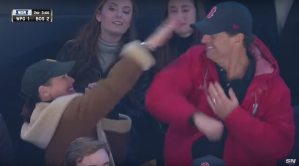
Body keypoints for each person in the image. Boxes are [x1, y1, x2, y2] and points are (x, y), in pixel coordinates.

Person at [145, 2, 295, 166]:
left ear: (237, 39)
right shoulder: (195, 58)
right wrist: (196, 117)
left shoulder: (273, 86)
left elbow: (280, 145)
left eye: (213, 34)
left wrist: (233, 117)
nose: (203, 39)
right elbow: (156, 95)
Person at [152, 0, 206, 75]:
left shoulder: (210, 44)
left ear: (196, 12)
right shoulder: (157, 48)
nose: (179, 16)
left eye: (185, 10)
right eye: (173, 11)